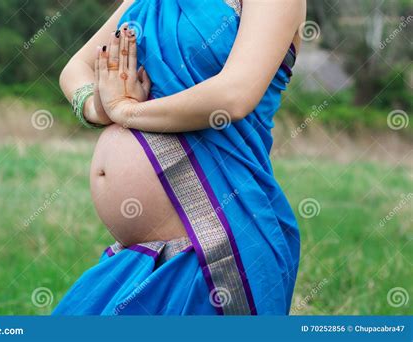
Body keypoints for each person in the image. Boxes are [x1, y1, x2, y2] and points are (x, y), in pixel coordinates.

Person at [54, 0, 305, 315]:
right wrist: (98, 105)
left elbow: (232, 96)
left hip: (219, 245)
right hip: (135, 258)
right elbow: (78, 68)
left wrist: (127, 111)